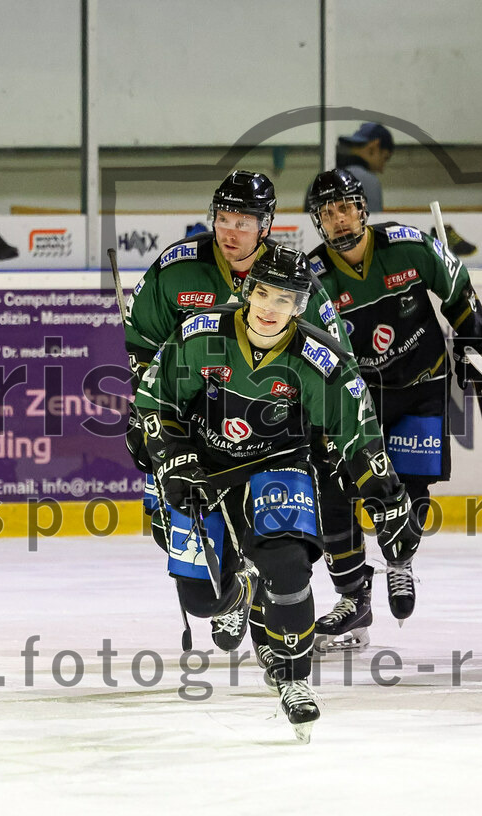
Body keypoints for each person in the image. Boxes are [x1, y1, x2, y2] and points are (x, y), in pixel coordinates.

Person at [134, 246, 417, 741]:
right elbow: (155, 402)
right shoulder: (201, 334)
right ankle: (241, 588)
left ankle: (294, 677)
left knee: (287, 566)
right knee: (202, 600)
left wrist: (388, 499)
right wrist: (174, 460)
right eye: (263, 293)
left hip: (278, 466)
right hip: (207, 471)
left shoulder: (318, 359)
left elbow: (358, 434)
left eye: (284, 299)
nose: (270, 307)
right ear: (248, 291)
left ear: (300, 306)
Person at [122, 170, 355, 661]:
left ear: (265, 225)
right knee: (170, 528)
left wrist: (329, 434)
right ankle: (234, 587)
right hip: (193, 434)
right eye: (224, 219)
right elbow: (141, 344)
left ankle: (269, 609)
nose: (231, 232)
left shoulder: (289, 277)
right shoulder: (177, 268)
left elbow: (334, 357)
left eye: (243, 222)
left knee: (275, 535)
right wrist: (148, 413)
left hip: (272, 432)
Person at [304, 168, 482, 652]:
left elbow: (457, 289)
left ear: (363, 209)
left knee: (412, 485)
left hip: (423, 382)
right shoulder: (313, 275)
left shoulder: (407, 245)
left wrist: (474, 340)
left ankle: (400, 560)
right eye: (328, 212)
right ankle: (353, 598)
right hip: (356, 399)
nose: (339, 219)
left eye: (346, 207)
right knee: (337, 488)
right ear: (318, 221)